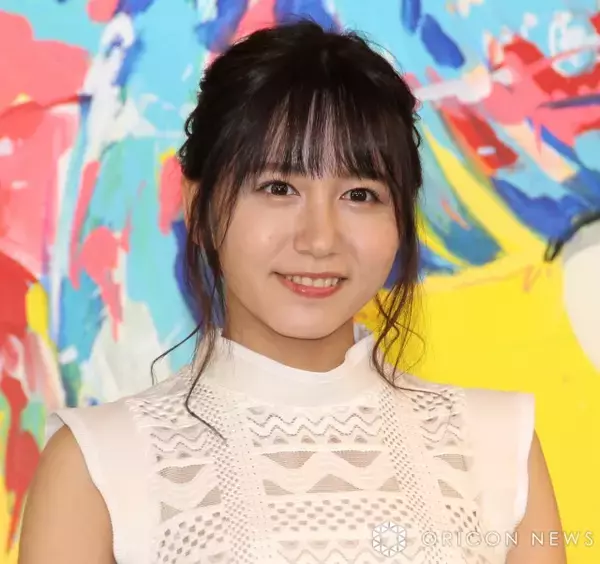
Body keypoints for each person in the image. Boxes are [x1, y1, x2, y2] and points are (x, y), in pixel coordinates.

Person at [19, 21, 566, 564]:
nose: (320, 240)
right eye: (278, 188)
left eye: (360, 194)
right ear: (198, 207)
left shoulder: (499, 444)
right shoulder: (98, 465)